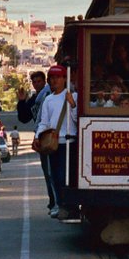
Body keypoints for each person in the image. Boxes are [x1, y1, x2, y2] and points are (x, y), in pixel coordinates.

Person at [34, 65, 77, 220]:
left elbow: (77, 119)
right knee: (54, 176)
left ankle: (70, 206)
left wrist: (72, 104)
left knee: (67, 176)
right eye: (52, 78)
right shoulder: (48, 100)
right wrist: (38, 137)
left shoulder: (73, 96)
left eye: (58, 78)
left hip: (69, 142)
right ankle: (61, 204)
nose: (54, 81)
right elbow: (44, 122)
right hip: (54, 143)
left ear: (64, 79)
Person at [17, 70, 55, 209]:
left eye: (39, 81)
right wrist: (21, 102)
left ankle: (55, 200)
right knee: (47, 170)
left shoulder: (48, 95)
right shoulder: (35, 99)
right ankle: (52, 200)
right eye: (34, 82)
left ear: (45, 81)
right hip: (42, 136)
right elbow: (24, 117)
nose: (37, 84)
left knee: (52, 170)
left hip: (52, 135)